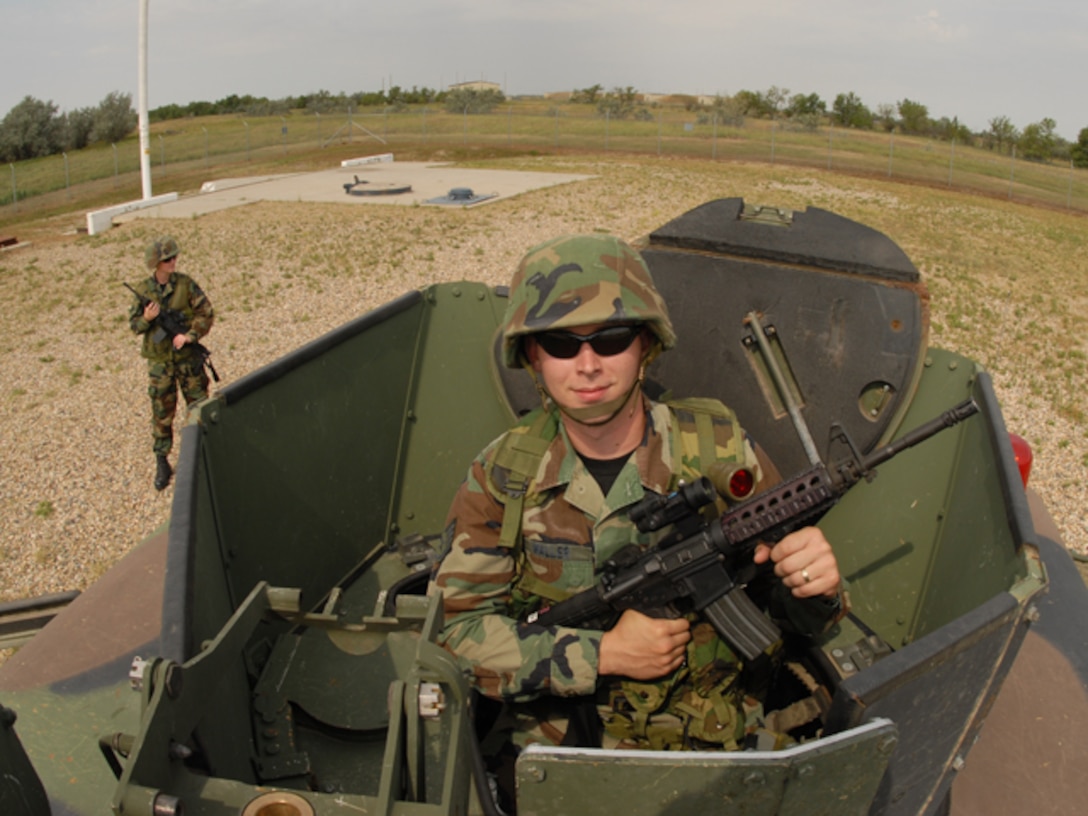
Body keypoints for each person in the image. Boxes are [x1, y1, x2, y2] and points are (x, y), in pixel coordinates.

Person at [429, 234, 846, 795]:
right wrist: (602, 655)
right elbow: (456, 635)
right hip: (561, 762)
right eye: (559, 343)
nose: (587, 365)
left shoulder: (719, 451)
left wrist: (813, 588)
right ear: (532, 356)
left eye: (612, 338)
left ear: (645, 345)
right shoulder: (504, 475)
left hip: (715, 751)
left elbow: (797, 620)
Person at [127, 236, 215, 491]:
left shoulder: (185, 285)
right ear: (156, 263)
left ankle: (205, 453)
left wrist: (189, 336)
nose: (174, 261)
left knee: (198, 407)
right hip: (160, 363)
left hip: (187, 360)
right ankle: (162, 460)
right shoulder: (144, 291)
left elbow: (206, 313)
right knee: (162, 412)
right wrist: (147, 318)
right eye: (168, 259)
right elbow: (134, 326)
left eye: (174, 257)